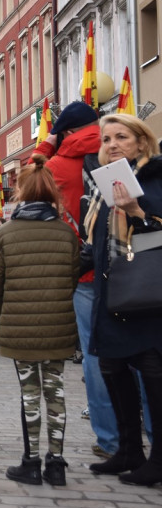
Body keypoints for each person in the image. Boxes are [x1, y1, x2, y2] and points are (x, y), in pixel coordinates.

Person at [0, 154, 80, 486]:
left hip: (20, 327)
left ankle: (31, 462)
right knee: (56, 393)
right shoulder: (66, 233)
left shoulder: (5, 234)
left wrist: (5, 316)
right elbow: (72, 280)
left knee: (30, 394)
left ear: (20, 192)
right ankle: (56, 464)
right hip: (58, 326)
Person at [34, 101, 116, 459]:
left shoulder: (56, 165)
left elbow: (30, 185)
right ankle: (149, 431)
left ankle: (110, 439)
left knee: (95, 354)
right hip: (128, 267)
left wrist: (48, 142)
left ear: (65, 132)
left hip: (84, 269)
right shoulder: (120, 153)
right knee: (143, 353)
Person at [85, 114, 162, 485]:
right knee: (112, 368)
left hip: (146, 296)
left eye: (122, 137)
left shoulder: (155, 178)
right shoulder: (105, 185)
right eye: (106, 139)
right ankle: (130, 450)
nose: (112, 144)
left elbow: (156, 236)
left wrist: (136, 212)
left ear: (141, 142)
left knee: (153, 374)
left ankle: (159, 460)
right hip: (111, 292)